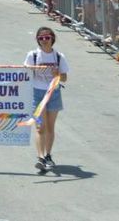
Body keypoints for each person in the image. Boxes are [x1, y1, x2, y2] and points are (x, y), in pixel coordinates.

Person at [25, 27, 69, 173]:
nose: (44, 41)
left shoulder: (58, 56)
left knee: (50, 126)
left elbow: (64, 78)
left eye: (47, 38)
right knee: (40, 127)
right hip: (38, 93)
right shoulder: (33, 55)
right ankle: (40, 157)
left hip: (53, 93)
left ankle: (48, 155)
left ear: (52, 38)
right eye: (41, 38)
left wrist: (57, 74)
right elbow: (25, 73)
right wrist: (33, 70)